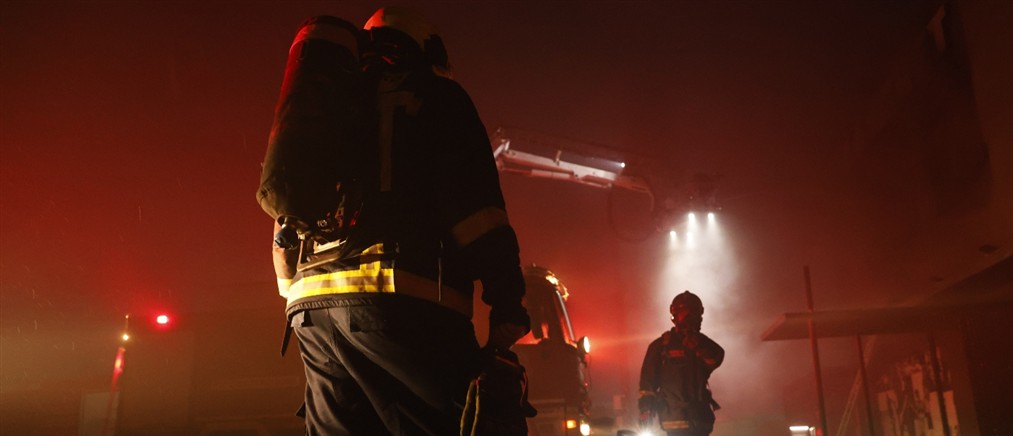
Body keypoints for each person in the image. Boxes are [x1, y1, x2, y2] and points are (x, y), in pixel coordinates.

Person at [259, 7, 531, 435]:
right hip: (403, 303)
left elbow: (287, 205)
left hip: (311, 310)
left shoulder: (331, 101)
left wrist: (298, 292)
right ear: (425, 48)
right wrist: (507, 298)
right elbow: (477, 211)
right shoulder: (437, 97)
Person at [638, 291, 724, 436]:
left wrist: (699, 345)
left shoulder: (702, 344)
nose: (690, 317)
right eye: (685, 312)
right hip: (675, 421)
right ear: (675, 315)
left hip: (699, 422)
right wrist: (646, 410)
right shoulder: (661, 346)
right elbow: (648, 384)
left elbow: (716, 357)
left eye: (693, 312)